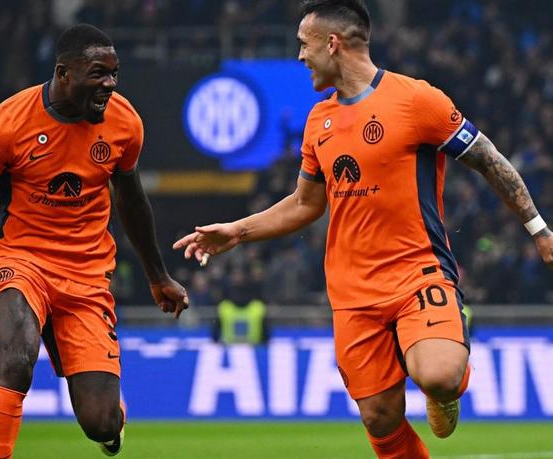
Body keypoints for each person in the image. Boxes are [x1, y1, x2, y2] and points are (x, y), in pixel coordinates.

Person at [174, 1, 553, 457]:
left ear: (332, 44)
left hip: (417, 274)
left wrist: (539, 230)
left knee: (439, 375)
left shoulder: (416, 100)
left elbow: (489, 160)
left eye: (304, 44)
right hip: (352, 293)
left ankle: (445, 391)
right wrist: (236, 232)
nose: (300, 56)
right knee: (379, 416)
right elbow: (305, 203)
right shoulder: (319, 121)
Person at [0, 24, 189, 458]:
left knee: (100, 422)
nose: (109, 84)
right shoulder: (7, 124)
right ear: (63, 74)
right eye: (98, 73)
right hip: (20, 260)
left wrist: (158, 276)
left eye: (114, 73)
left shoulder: (124, 122)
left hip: (87, 275)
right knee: (15, 363)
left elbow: (132, 203)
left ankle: (111, 426)